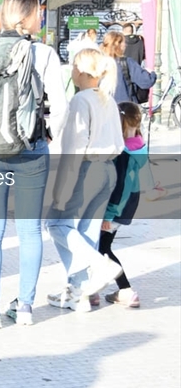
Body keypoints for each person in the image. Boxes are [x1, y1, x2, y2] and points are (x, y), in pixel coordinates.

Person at [0, 0, 67, 329]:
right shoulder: (45, 53)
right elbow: (60, 106)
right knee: (30, 229)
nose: (42, 17)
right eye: (39, 12)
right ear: (29, 16)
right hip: (31, 149)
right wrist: (48, 135)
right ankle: (25, 309)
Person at [46, 48, 126, 315]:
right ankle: (79, 293)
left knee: (56, 223)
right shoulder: (108, 99)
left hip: (86, 169)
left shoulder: (80, 101)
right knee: (87, 233)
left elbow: (74, 147)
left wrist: (62, 187)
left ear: (80, 70)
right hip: (107, 170)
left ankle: (96, 268)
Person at [98, 101, 149, 309]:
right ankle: (92, 291)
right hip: (127, 204)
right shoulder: (138, 145)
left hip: (115, 208)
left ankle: (126, 290)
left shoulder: (123, 154)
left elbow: (118, 187)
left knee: (101, 248)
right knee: (102, 247)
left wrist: (108, 215)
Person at [101, 31, 156, 104]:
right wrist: (151, 73)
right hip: (126, 107)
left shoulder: (98, 62)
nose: (125, 45)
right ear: (118, 45)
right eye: (124, 43)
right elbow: (146, 82)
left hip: (104, 107)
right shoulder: (127, 62)